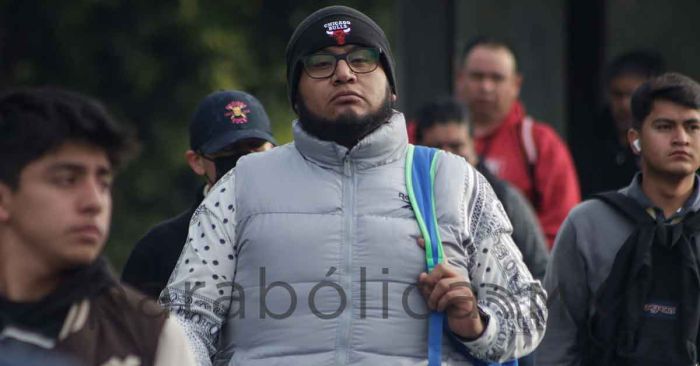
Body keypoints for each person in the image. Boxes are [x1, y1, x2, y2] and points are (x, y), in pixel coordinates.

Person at [161, 6, 546, 366]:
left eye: (362, 59)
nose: (344, 73)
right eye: (320, 63)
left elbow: (528, 310)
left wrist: (477, 322)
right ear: (295, 94)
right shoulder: (241, 185)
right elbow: (185, 319)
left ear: (391, 85)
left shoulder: (453, 180)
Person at [0, 87, 196, 365]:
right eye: (67, 179)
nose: (95, 202)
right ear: (3, 198)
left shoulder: (149, 337)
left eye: (103, 183)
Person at [537, 73, 700, 365]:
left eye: (693, 126)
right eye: (664, 126)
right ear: (635, 140)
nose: (681, 139)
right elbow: (557, 337)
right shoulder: (587, 224)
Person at [122, 90, 275, 299]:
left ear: (274, 151)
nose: (244, 161)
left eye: (255, 147)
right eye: (229, 149)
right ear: (197, 161)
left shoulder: (295, 233)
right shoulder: (158, 249)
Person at [454, 36, 580, 247]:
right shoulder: (423, 133)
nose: (486, 87)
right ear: (459, 79)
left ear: (516, 84)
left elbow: (563, 225)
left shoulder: (540, 143)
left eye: (497, 78)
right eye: (477, 76)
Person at [415, 97, 549, 280]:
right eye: (436, 147)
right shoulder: (404, 200)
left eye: (456, 145)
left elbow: (541, 272)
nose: (447, 156)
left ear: (473, 145)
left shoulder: (505, 198)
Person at [577, 50, 665, 197]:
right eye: (617, 95)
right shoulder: (591, 141)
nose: (624, 104)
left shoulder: (667, 143)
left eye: (632, 95)